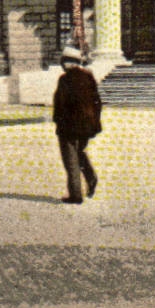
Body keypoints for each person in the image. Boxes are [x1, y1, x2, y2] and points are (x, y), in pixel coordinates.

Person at [52, 47, 102, 204]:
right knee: (79, 151)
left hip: (69, 126)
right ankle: (91, 177)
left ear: (68, 62)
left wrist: (58, 121)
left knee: (70, 159)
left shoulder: (65, 79)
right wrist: (94, 122)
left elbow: (60, 103)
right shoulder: (88, 77)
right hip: (87, 126)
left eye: (64, 61)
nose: (62, 64)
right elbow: (97, 102)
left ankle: (76, 195)